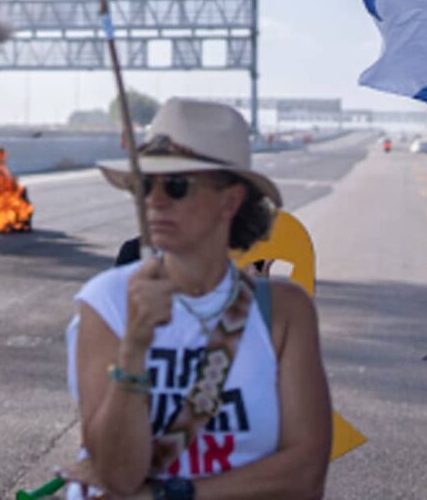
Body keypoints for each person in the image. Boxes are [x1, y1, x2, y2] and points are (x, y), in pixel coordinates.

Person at [69, 98, 330, 499]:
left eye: (176, 185)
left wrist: (169, 495)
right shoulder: (107, 302)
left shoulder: (283, 312)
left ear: (230, 201)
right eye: (146, 185)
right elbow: (118, 475)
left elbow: (305, 474)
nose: (155, 201)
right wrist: (134, 347)